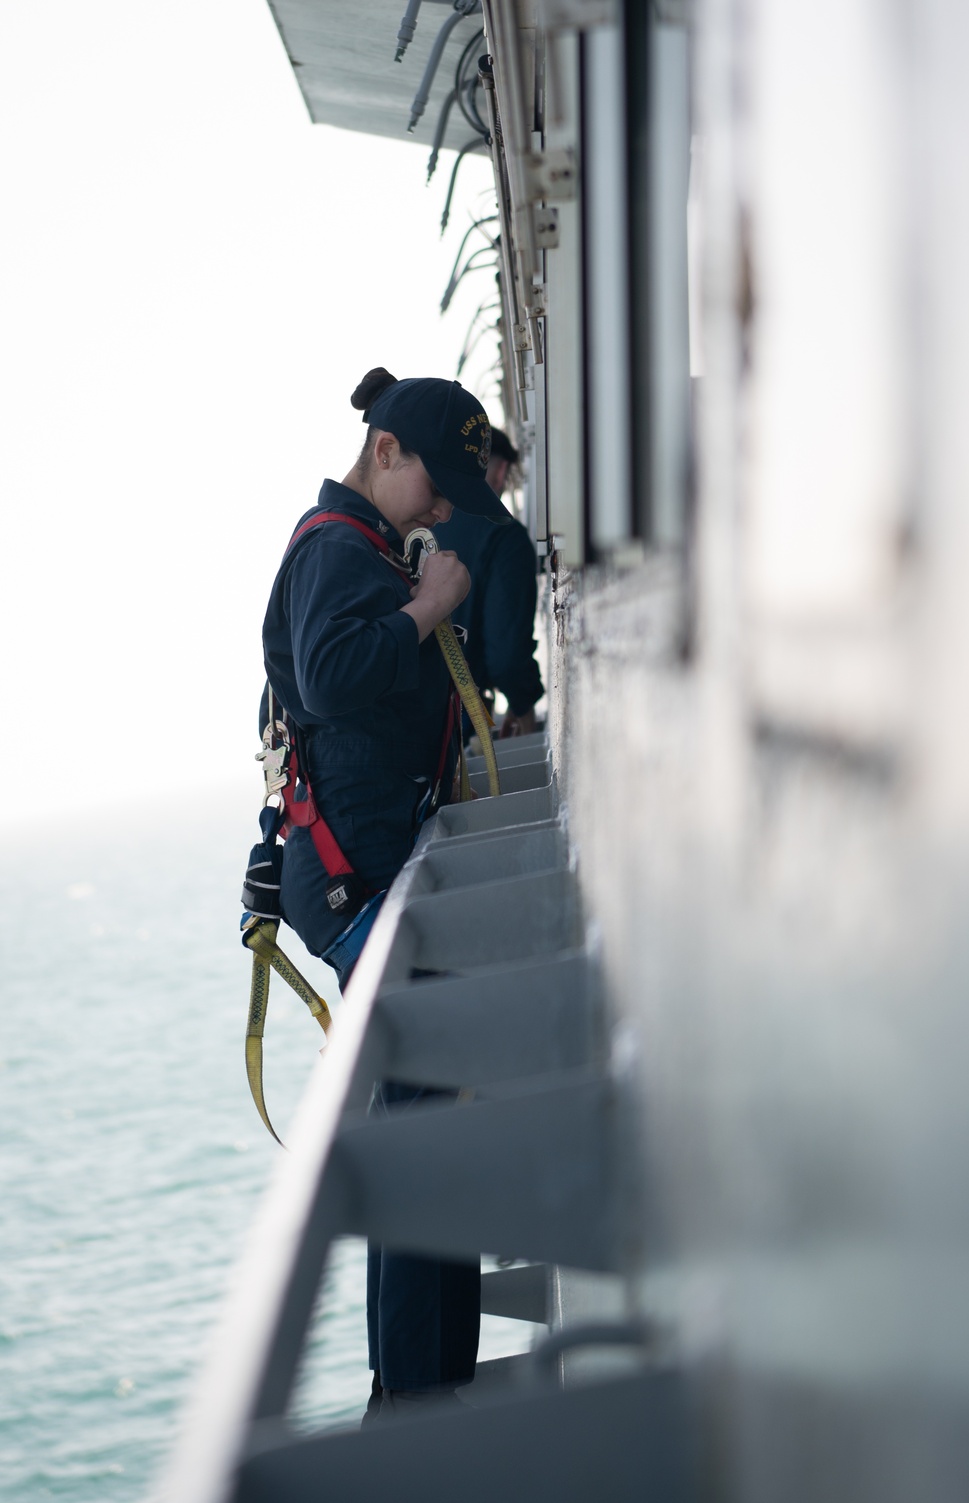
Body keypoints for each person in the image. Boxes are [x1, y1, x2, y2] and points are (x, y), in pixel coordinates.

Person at [258, 366, 511, 1419]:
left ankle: (419, 1388)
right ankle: (415, 1403)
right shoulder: (333, 548)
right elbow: (326, 678)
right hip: (353, 883)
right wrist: (432, 605)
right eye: (435, 483)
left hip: (363, 875)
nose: (443, 507)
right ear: (385, 451)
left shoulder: (361, 547)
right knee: (422, 1133)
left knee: (426, 1125)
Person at [434, 428, 544, 737]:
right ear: (500, 470)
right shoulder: (505, 538)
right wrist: (522, 704)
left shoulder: (421, 526)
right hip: (459, 723)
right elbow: (507, 657)